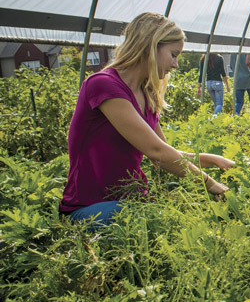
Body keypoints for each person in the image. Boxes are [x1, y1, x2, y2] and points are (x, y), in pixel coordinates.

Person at [60, 12, 235, 227]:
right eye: (173, 54)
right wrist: (210, 184)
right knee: (156, 223)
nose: (176, 65)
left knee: (174, 220)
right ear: (150, 47)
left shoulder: (147, 94)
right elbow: (158, 153)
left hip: (133, 201)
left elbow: (163, 153)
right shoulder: (103, 85)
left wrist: (213, 159)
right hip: (91, 207)